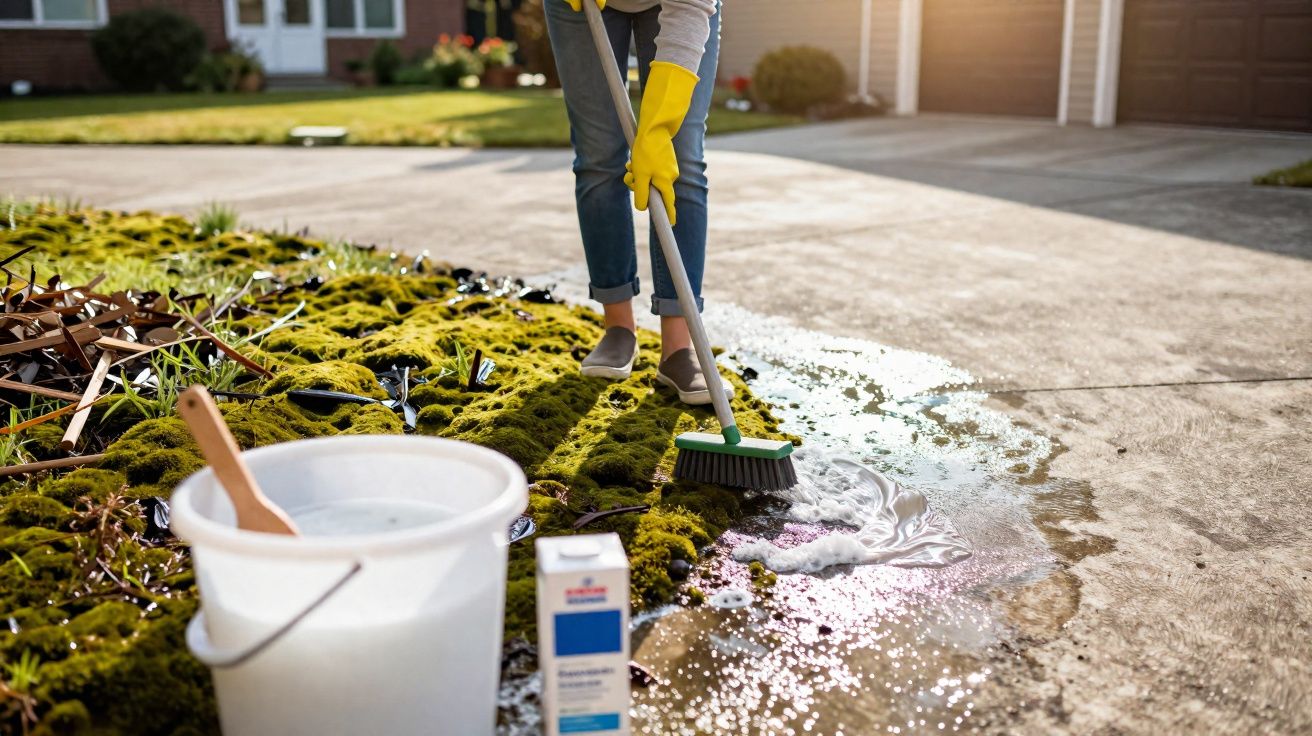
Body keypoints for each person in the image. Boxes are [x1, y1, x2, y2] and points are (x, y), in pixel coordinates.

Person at [545, 0, 728, 406]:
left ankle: (678, 349)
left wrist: (658, 127)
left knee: (680, 161)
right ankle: (618, 328)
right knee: (597, 158)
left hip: (679, 4)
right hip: (583, 7)